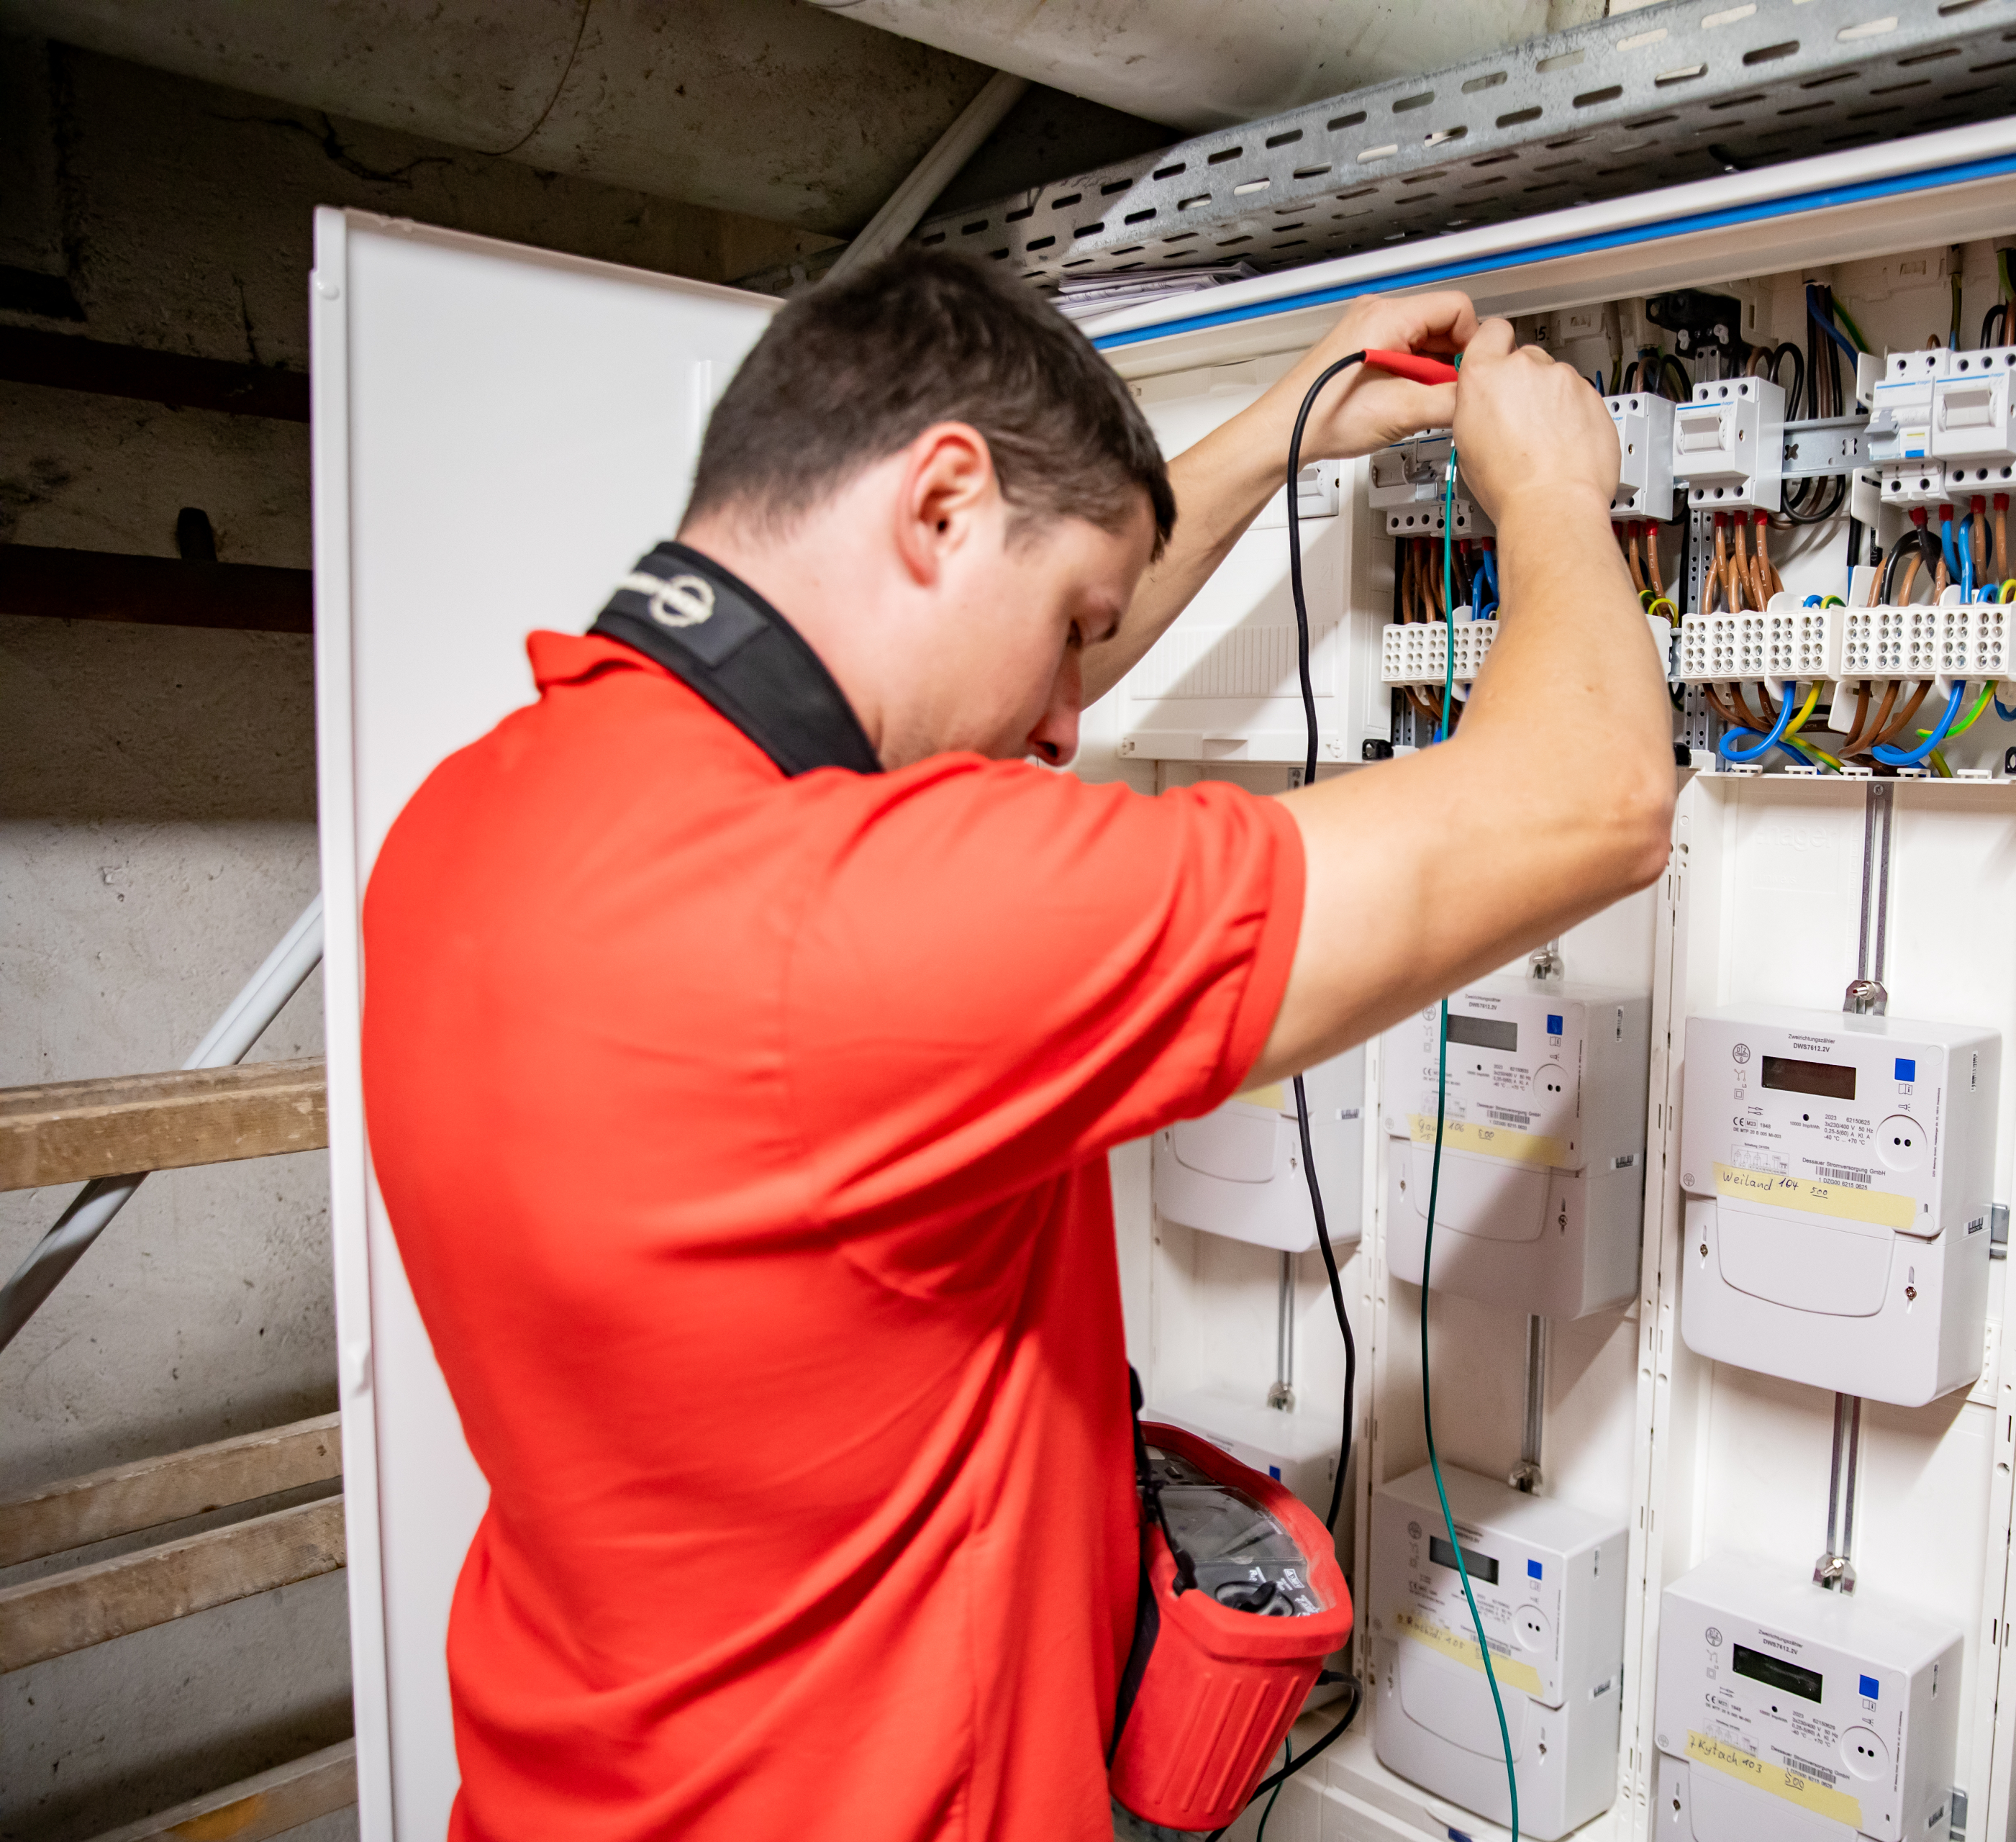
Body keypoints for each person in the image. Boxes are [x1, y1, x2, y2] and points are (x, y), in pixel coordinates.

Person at [358, 248, 1676, 1841]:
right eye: (1069, 628)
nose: (1067, 719)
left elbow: (933, 704)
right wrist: (1548, 486)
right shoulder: (855, 930)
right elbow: (1595, 797)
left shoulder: (472, 817)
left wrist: (1280, 428)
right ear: (939, 506)